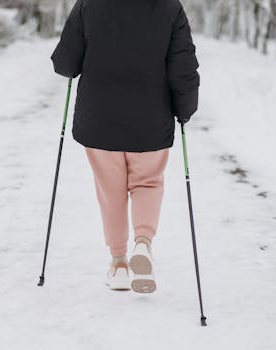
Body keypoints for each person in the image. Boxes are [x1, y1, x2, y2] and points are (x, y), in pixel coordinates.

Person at [50, 0, 200, 293]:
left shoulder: (89, 4)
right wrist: (185, 108)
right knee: (147, 182)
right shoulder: (170, 7)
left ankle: (118, 263)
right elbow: (183, 66)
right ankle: (142, 244)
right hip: (151, 118)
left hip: (99, 117)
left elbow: (66, 62)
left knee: (110, 190)